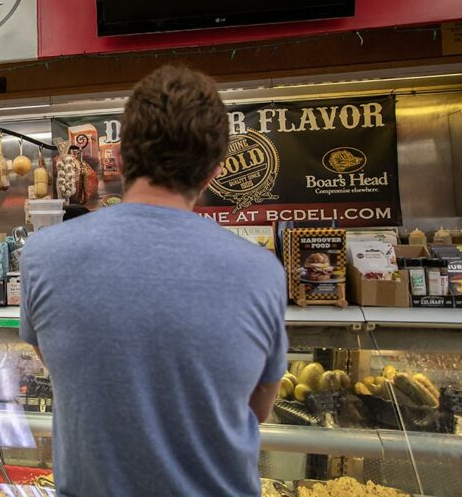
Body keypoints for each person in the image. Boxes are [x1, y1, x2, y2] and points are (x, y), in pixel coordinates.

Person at [19, 65, 287, 497]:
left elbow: (64, 368)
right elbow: (258, 407)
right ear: (214, 173)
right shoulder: (263, 271)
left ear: (121, 157)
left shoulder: (42, 255)